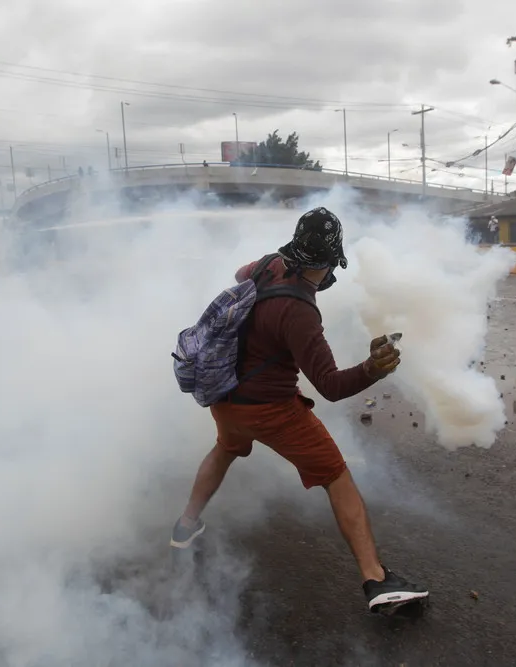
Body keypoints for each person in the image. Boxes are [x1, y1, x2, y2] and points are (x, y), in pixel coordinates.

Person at [171, 206, 430, 612]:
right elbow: (331, 386)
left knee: (224, 450)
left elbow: (241, 274)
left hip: (226, 400)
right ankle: (377, 581)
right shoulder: (300, 313)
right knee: (336, 476)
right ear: (329, 261)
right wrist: (374, 368)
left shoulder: (267, 264)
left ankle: (185, 526)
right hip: (272, 412)